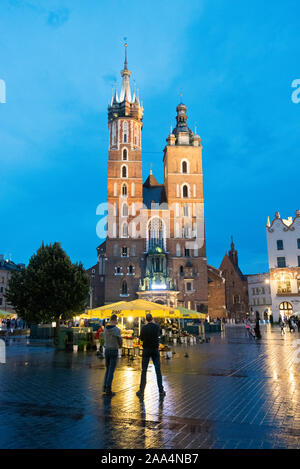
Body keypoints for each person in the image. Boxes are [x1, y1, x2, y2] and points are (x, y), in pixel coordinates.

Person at [136, 313, 165, 399]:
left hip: (146, 350)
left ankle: (141, 390)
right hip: (155, 350)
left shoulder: (144, 327)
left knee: (144, 370)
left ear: (146, 319)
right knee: (158, 370)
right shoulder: (157, 326)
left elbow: (141, 338)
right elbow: (160, 334)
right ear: (152, 318)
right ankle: (161, 390)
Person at [103, 314, 122, 397]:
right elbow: (119, 340)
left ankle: (105, 386)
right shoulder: (117, 329)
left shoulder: (105, 329)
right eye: (116, 320)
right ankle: (108, 390)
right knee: (111, 370)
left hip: (106, 350)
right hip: (114, 350)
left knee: (107, 369)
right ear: (115, 320)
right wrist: (120, 345)